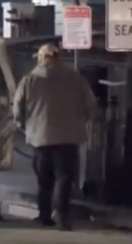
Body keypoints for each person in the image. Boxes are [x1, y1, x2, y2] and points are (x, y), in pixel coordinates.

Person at [13, 43, 97, 230]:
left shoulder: (30, 80)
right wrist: (79, 122)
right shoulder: (76, 79)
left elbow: (17, 108)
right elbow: (91, 106)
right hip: (68, 138)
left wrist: (24, 126)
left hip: (39, 138)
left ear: (42, 58)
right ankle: (61, 214)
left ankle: (44, 215)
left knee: (44, 180)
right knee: (64, 178)